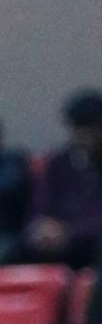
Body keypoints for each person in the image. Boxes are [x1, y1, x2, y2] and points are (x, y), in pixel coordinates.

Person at [24, 89, 102, 269]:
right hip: (53, 241)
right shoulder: (58, 163)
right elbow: (40, 205)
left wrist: (70, 232)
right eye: (78, 128)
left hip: (87, 241)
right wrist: (41, 227)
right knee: (10, 251)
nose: (84, 136)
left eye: (90, 129)